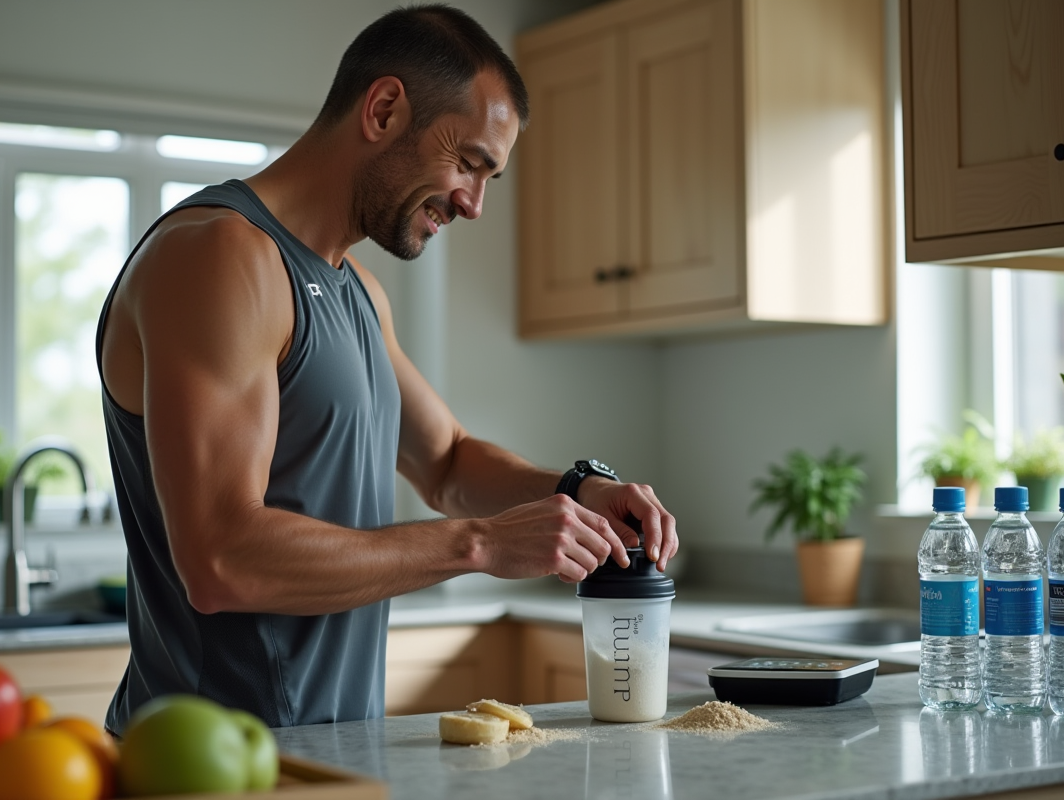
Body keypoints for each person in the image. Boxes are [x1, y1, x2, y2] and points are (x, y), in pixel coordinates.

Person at [96, 4, 678, 733]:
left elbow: (448, 463)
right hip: (204, 767)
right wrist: (481, 543)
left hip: (330, 761)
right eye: (468, 162)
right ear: (383, 109)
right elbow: (221, 559)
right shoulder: (219, 256)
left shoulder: (357, 292)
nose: (473, 203)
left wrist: (580, 490)